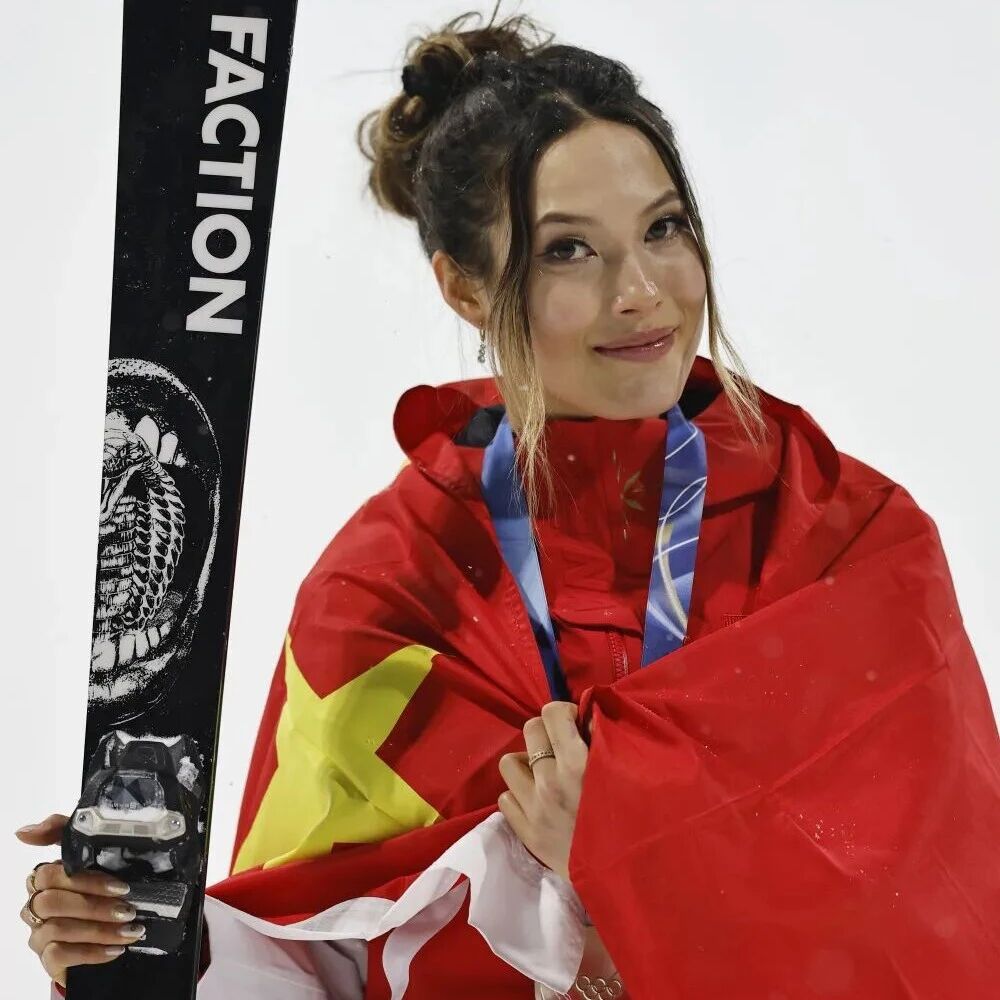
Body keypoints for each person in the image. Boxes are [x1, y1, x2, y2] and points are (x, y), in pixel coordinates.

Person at [17, 6, 1000, 998]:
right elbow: (306, 966)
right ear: (463, 288)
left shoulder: (846, 541)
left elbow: (937, 939)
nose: (641, 290)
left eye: (663, 228)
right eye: (568, 249)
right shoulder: (386, 593)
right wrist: (141, 951)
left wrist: (637, 857)